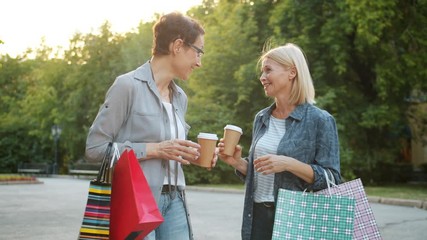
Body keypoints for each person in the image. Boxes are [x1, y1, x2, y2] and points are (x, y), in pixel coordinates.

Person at [85, 12, 205, 240]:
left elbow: (170, 151)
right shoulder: (126, 86)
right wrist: (154, 149)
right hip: (137, 203)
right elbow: (94, 149)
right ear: (178, 45)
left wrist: (193, 156)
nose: (199, 62)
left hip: (176, 200)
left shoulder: (180, 97)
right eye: (198, 51)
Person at [217, 43, 341, 240]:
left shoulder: (320, 120)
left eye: (268, 70)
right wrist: (238, 163)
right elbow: (262, 172)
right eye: (262, 71)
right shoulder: (262, 118)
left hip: (296, 217)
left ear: (292, 72)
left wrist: (287, 163)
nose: (262, 77)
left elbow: (332, 178)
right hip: (257, 216)